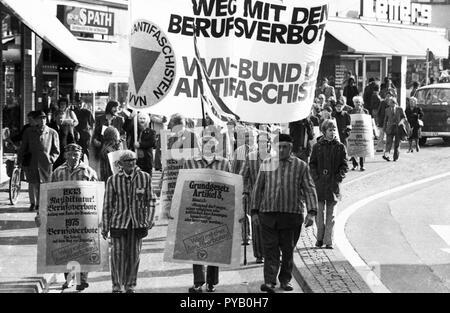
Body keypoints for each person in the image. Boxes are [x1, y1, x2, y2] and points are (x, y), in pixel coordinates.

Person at [252, 134, 318, 293]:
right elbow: (257, 188)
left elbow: (309, 188)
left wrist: (312, 212)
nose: (281, 150)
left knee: (288, 250)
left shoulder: (301, 166)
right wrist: (254, 211)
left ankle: (285, 280)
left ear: (291, 147)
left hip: (291, 216)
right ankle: (269, 282)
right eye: (279, 146)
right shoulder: (266, 164)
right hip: (268, 214)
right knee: (270, 250)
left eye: (285, 147)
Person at [183, 135, 232, 293]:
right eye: (206, 145)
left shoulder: (224, 163)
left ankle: (211, 282)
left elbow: (231, 186)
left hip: (217, 210)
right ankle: (198, 282)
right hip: (196, 210)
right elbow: (184, 185)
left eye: (213, 146)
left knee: (215, 244)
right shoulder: (190, 162)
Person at [102, 150, 156, 293]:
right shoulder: (113, 180)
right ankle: (117, 285)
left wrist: (149, 218)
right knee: (117, 254)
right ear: (120, 164)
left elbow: (151, 199)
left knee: (134, 255)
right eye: (127, 161)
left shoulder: (145, 177)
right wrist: (105, 226)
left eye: (133, 160)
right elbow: (107, 204)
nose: (131, 163)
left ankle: (130, 284)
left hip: (137, 223)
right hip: (118, 222)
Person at [50, 143, 97, 291]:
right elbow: (49, 193)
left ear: (81, 155)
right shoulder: (57, 172)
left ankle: (82, 280)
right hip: (64, 217)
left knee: (84, 246)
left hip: (83, 216)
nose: (73, 157)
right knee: (65, 246)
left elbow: (97, 193)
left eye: (76, 154)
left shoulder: (89, 172)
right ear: (65, 155)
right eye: (70, 154)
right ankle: (69, 278)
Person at [309, 120, 348, 249]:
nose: (332, 132)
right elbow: (312, 164)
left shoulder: (340, 146)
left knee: (331, 215)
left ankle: (328, 240)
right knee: (319, 214)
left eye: (334, 130)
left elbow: (344, 165)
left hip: (333, 185)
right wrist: (316, 177)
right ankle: (319, 238)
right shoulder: (317, 146)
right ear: (324, 131)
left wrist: (338, 177)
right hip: (319, 185)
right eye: (330, 130)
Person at [240, 131, 272, 264]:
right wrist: (245, 191)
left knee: (271, 227)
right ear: (257, 143)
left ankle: (271, 253)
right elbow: (244, 175)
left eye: (266, 142)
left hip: (272, 198)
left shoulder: (274, 158)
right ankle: (259, 254)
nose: (263, 145)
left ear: (269, 144)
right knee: (257, 227)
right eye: (260, 142)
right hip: (255, 197)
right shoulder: (251, 157)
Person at [18, 110, 60, 211]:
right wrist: (20, 160)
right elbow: (23, 147)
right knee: (32, 183)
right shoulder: (29, 131)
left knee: (44, 184)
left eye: (44, 118)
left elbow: (56, 150)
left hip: (45, 163)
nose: (42, 120)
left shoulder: (52, 132)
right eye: (40, 118)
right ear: (35, 120)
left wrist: (51, 159)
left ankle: (41, 203)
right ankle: (33, 203)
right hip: (31, 161)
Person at [382, 98, 407, 162]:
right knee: (388, 142)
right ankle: (386, 155)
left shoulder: (399, 109)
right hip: (390, 128)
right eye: (389, 103)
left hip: (398, 128)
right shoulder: (387, 110)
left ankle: (395, 157)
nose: (389, 104)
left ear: (394, 103)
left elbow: (404, 117)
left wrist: (401, 122)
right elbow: (385, 119)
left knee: (397, 143)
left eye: (391, 103)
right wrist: (384, 128)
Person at [349, 96, 370, 171]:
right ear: (353, 103)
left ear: (361, 103)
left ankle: (362, 165)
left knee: (362, 149)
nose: (357, 103)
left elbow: (368, 122)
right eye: (356, 102)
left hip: (362, 132)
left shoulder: (365, 111)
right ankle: (354, 165)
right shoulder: (351, 111)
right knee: (354, 148)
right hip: (354, 132)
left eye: (358, 102)